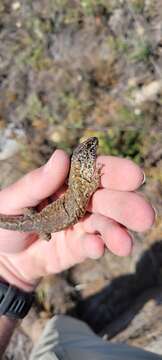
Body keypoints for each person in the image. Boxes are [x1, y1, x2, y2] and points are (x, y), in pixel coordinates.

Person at [0, 147, 160, 359]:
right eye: (88, 153)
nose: (92, 152)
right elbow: (85, 191)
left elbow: (82, 193)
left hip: (40, 224)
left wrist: (11, 271)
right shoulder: (79, 188)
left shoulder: (75, 190)